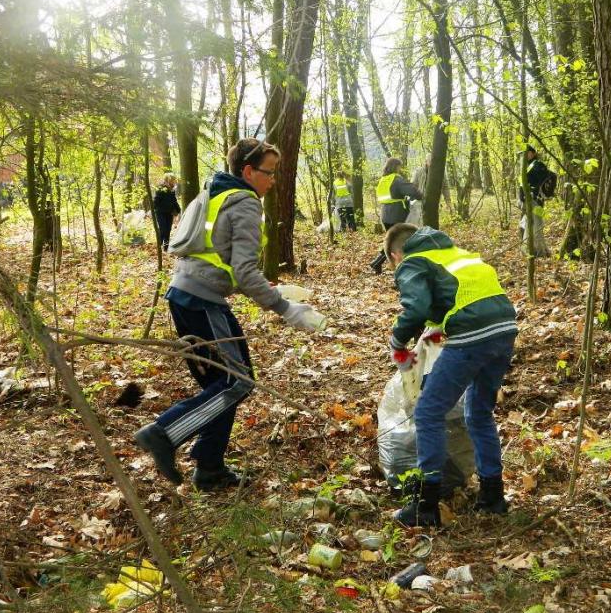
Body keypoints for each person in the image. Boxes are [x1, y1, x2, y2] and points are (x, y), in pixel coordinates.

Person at [135, 138, 326, 490]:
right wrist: (286, 309)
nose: (273, 181)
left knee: (221, 384)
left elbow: (217, 258)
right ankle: (163, 433)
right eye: (269, 172)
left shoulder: (216, 192)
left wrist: (268, 290)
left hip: (184, 293)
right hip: (202, 300)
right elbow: (244, 271)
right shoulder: (245, 202)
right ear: (249, 171)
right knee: (236, 381)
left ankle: (209, 467)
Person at [384, 223, 518, 527]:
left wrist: (397, 343)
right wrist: (439, 326)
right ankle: (493, 496)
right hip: (506, 330)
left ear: (395, 255)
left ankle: (426, 505)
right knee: (479, 412)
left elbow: (416, 308)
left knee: (428, 411)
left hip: (473, 336)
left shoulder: (412, 261)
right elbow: (462, 296)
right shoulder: (456, 253)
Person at [369, 157, 423, 274]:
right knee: (398, 242)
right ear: (396, 167)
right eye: (399, 166)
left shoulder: (383, 179)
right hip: (397, 214)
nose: (400, 169)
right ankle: (386, 265)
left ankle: (377, 263)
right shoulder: (397, 179)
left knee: (391, 241)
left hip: (385, 214)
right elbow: (413, 192)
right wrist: (420, 195)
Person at [518, 146, 557, 258]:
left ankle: (540, 252)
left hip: (536, 200)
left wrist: (534, 191)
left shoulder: (538, 164)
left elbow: (545, 178)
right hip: (529, 201)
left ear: (533, 153)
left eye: (527, 153)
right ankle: (532, 250)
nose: (525, 155)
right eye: (523, 154)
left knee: (537, 226)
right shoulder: (527, 166)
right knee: (528, 224)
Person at [154, 172, 181, 251]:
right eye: (173, 180)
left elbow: (174, 201)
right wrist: (154, 209)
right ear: (168, 180)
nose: (174, 181)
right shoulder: (161, 188)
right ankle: (159, 247)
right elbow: (156, 201)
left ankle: (166, 248)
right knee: (163, 229)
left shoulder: (172, 190)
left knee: (168, 230)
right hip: (160, 213)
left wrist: (178, 209)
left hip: (169, 213)